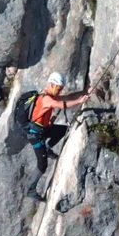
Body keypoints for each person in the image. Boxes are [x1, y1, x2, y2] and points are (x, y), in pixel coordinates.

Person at [26, 72, 94, 200]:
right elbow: (61, 105)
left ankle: (48, 147)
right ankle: (30, 190)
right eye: (58, 88)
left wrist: (84, 91)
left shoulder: (50, 96)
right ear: (51, 84)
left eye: (61, 88)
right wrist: (80, 101)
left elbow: (67, 97)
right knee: (42, 165)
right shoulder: (46, 98)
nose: (59, 90)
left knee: (62, 130)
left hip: (43, 130)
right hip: (35, 135)